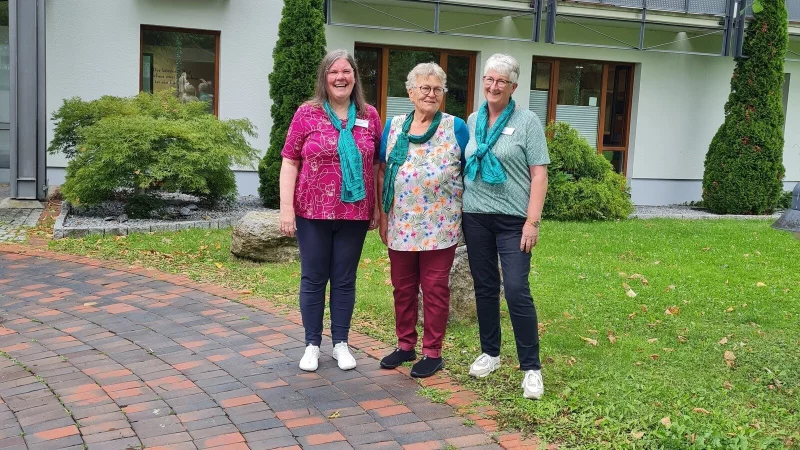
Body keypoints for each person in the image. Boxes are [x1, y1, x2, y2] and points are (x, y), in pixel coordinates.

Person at [279, 49, 382, 372]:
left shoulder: (370, 115)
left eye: (346, 72)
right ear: (325, 78)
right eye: (334, 72)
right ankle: (312, 344)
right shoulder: (307, 113)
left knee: (344, 279)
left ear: (355, 78)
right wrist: (286, 209)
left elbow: (377, 164)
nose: (341, 77)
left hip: (354, 213)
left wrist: (377, 208)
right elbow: (289, 160)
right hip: (312, 212)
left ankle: (340, 343)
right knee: (313, 278)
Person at [461, 54, 550, 399]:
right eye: (488, 79)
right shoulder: (473, 119)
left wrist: (532, 222)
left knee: (515, 288)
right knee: (485, 287)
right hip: (476, 216)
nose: (493, 86)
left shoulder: (527, 122)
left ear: (513, 86)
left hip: (515, 221)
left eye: (501, 81)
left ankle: (531, 368)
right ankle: (491, 353)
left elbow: (539, 175)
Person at [377, 62, 469, 378]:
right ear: (410, 91)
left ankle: (432, 351)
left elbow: (471, 171)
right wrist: (382, 214)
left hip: (440, 225)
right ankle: (405, 346)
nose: (430, 94)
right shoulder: (393, 127)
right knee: (402, 288)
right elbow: (381, 171)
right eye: (424, 88)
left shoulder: (456, 127)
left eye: (437, 88)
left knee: (434, 288)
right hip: (401, 222)